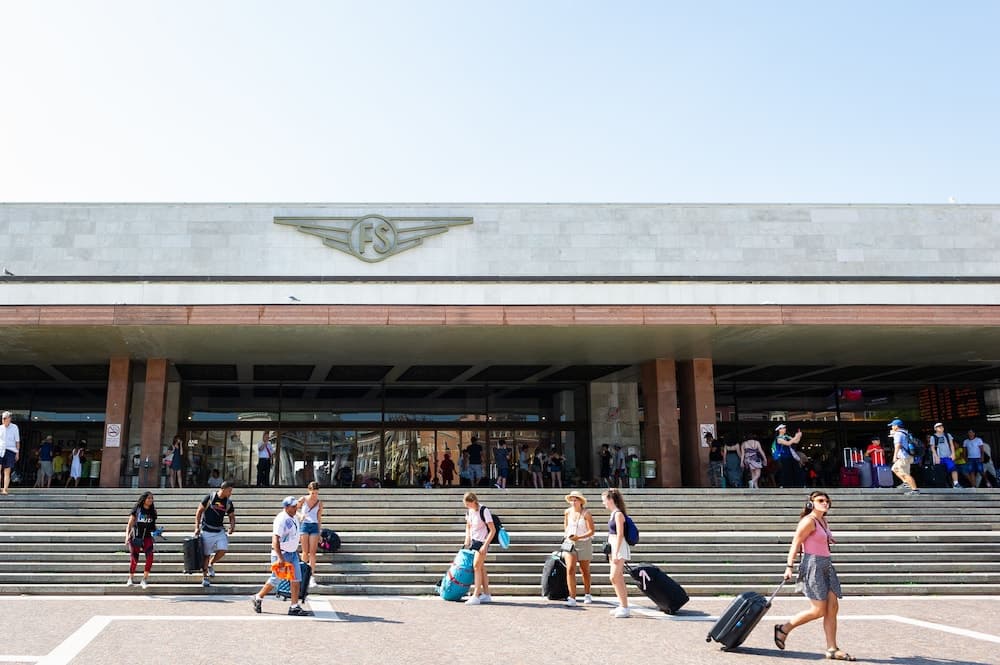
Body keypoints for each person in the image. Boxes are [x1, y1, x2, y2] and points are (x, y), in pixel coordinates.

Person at [774, 491, 855, 661]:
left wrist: (828, 538)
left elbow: (822, 538)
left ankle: (832, 649)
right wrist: (789, 566)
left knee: (832, 607)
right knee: (818, 610)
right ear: (811, 503)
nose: (825, 503)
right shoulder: (808, 521)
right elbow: (796, 543)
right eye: (821, 500)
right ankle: (784, 628)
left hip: (826, 565)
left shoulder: (823, 520)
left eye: (827, 501)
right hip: (813, 565)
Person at [250, 496, 314, 616]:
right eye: (293, 506)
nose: (295, 508)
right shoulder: (281, 519)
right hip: (282, 553)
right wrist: (280, 557)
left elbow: (298, 520)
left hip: (292, 553)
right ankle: (258, 596)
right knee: (276, 579)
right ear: (286, 507)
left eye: (296, 506)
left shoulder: (293, 515)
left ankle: (294, 606)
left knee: (296, 579)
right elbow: (275, 539)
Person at [194, 482, 236, 587]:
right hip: (207, 530)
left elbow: (231, 516)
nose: (231, 493)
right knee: (206, 555)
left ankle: (211, 563)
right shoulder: (210, 498)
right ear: (224, 489)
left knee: (223, 549)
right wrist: (196, 527)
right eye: (229, 491)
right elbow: (199, 511)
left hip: (219, 531)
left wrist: (232, 526)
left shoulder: (228, 502)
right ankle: (205, 577)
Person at [562, 491, 595, 606]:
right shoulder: (567, 512)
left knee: (584, 570)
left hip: (584, 543)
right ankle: (572, 597)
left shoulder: (586, 513)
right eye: (571, 500)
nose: (573, 502)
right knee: (570, 569)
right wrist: (568, 536)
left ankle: (587, 593)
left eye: (575, 500)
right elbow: (566, 526)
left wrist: (579, 537)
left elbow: (591, 531)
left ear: (581, 501)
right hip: (570, 543)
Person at [602, 488, 631, 618]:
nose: (603, 503)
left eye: (604, 500)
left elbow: (620, 534)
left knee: (614, 577)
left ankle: (624, 607)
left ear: (610, 500)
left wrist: (616, 552)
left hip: (619, 547)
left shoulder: (618, 514)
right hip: (614, 546)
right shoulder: (614, 513)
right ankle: (622, 605)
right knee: (617, 577)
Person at [462, 491, 495, 605]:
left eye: (468, 504)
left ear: (473, 501)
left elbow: (493, 530)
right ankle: (486, 594)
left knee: (476, 566)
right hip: (474, 541)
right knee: (481, 568)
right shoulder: (469, 511)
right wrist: (467, 538)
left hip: (482, 541)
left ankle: (476, 595)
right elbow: (468, 526)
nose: (467, 506)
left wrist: (485, 545)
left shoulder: (483, 510)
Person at [125, 491, 158, 589]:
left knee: (150, 557)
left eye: (152, 498)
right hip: (136, 537)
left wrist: (157, 531)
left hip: (147, 537)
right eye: (149, 498)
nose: (151, 500)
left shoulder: (153, 512)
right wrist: (126, 536)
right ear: (144, 499)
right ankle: (130, 578)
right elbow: (129, 524)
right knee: (134, 559)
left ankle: (144, 579)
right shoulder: (137, 509)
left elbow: (153, 527)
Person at [297, 481, 323, 587]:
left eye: (316, 493)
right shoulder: (303, 499)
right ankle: (303, 575)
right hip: (304, 525)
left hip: (314, 526)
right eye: (312, 493)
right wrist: (300, 515)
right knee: (305, 551)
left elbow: (319, 518)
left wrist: (320, 532)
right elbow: (293, 509)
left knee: (312, 552)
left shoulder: (319, 502)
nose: (314, 495)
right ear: (309, 491)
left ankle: (312, 576)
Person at [888, 418, 919, 495]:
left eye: (892, 425)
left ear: (896, 426)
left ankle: (915, 490)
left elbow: (898, 445)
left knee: (901, 472)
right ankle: (906, 483)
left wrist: (894, 456)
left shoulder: (898, 434)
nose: (892, 427)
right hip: (909, 456)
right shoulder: (905, 432)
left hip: (903, 456)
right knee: (897, 469)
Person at [928, 423, 960, 489]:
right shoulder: (933, 437)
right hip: (939, 457)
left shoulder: (947, 435)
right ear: (935, 429)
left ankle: (956, 484)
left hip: (948, 456)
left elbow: (951, 445)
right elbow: (932, 448)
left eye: (942, 426)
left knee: (953, 468)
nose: (941, 427)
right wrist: (936, 457)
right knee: (940, 471)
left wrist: (953, 454)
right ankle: (942, 485)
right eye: (939, 427)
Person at [0, 412, 21, 495]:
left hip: (10, 451)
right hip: (0, 450)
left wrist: (17, 453)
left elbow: (17, 441)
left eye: (5, 418)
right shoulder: (0, 428)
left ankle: (5, 489)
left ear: (9, 419)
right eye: (3, 418)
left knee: (7, 471)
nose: (3, 420)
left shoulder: (14, 427)